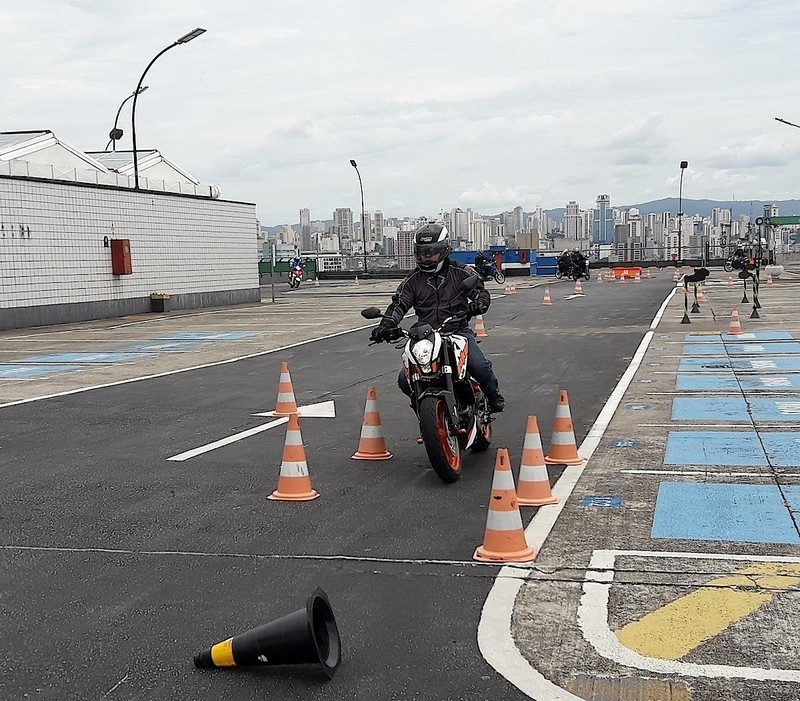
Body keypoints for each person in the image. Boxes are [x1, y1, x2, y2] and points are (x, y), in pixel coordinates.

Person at [369, 223, 505, 412]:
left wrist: (479, 302)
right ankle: (425, 411)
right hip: (425, 336)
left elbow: (480, 292)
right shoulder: (412, 281)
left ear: (444, 250)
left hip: (457, 330)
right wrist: (386, 325)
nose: (426, 257)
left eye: (431, 252)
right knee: (404, 380)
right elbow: (398, 305)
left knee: (478, 365)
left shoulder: (461, 271)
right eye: (422, 252)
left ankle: (492, 394)